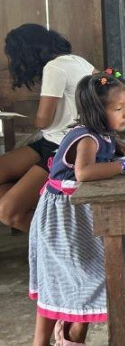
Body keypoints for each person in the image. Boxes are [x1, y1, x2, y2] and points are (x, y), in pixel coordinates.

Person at [27, 70, 125, 346]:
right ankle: (57, 344)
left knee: (59, 280)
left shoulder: (100, 133)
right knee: (78, 278)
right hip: (63, 219)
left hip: (75, 215)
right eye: (119, 109)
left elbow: (106, 148)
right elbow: (84, 172)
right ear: (97, 112)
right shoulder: (86, 137)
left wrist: (123, 149)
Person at [0, 24, 94, 232]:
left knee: (8, 212)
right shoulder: (78, 61)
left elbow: (43, 121)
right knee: (8, 196)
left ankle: (61, 239)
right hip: (51, 141)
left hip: (64, 148)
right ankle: (39, 209)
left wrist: (34, 118)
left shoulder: (54, 68)